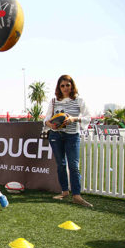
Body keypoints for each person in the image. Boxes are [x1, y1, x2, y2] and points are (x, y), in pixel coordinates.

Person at [44, 75, 93, 207]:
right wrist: (51, 125)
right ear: (59, 87)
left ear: (72, 85)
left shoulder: (79, 100)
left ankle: (76, 195)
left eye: (67, 85)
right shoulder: (54, 101)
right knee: (60, 164)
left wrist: (74, 119)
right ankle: (64, 191)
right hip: (56, 136)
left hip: (72, 136)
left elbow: (88, 117)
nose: (65, 88)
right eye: (62, 86)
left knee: (74, 166)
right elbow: (46, 119)